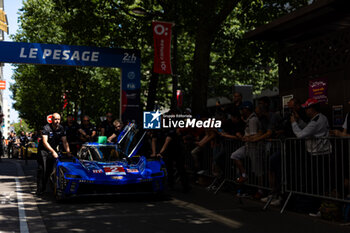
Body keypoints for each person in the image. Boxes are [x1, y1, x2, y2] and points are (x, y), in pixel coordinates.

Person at [36, 113, 71, 196]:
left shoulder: (61, 128)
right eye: (55, 119)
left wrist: (69, 152)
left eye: (58, 119)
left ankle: (51, 188)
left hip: (53, 151)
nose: (57, 121)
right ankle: (40, 190)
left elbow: (65, 141)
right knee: (43, 171)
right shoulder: (46, 128)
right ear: (52, 120)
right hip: (44, 151)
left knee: (51, 170)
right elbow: (45, 142)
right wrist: (53, 151)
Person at [230, 101, 260, 183]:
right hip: (247, 145)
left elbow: (254, 135)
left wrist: (245, 137)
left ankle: (260, 189)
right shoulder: (248, 120)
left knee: (256, 169)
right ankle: (244, 175)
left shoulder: (253, 120)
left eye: (242, 109)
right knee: (234, 155)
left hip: (253, 147)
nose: (241, 111)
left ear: (247, 109)